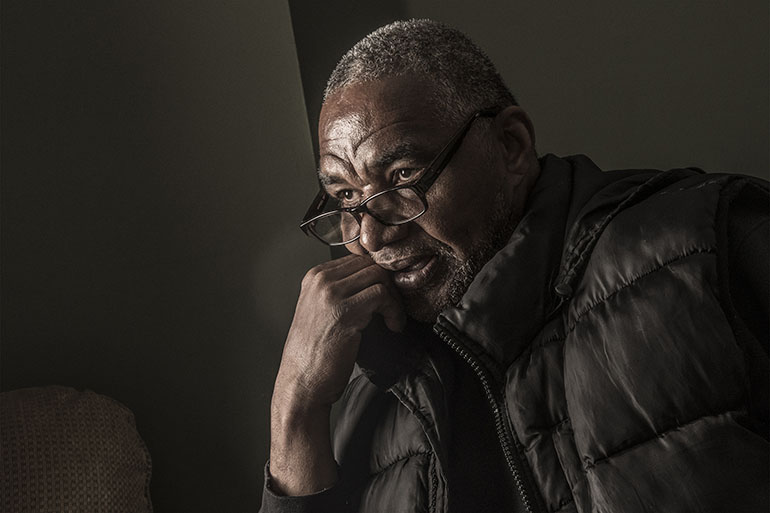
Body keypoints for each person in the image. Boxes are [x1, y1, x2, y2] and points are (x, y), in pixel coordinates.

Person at [261, 19, 769, 513]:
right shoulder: (368, 394)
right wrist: (295, 411)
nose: (372, 235)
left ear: (511, 146)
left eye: (403, 174)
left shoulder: (712, 246)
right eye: (347, 196)